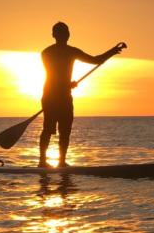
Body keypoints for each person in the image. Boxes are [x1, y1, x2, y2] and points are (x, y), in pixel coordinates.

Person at [39, 21, 122, 168]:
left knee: (65, 130)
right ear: (55, 35)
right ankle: (42, 162)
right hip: (51, 96)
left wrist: (113, 51)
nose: (65, 35)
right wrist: (67, 84)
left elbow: (96, 60)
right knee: (48, 129)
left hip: (64, 96)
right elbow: (53, 74)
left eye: (66, 32)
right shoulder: (47, 53)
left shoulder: (68, 51)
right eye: (63, 33)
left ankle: (61, 162)